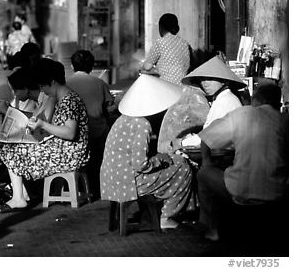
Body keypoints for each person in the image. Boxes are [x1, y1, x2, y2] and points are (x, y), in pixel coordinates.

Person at [195, 84, 288, 242]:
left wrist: (207, 162)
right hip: (278, 191)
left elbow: (206, 138)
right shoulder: (284, 120)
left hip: (241, 190)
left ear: (257, 99)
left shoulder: (241, 114)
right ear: (277, 102)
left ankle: (212, 229)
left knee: (204, 174)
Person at [100, 74, 193, 229]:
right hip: (129, 182)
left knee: (175, 163)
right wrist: (161, 159)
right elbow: (140, 164)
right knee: (183, 167)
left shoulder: (122, 119)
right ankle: (168, 216)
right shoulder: (142, 124)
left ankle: (168, 211)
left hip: (111, 178)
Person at [0, 58, 89, 212]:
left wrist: (43, 125)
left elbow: (70, 133)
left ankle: (19, 198)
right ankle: (21, 195)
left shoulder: (68, 100)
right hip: (65, 149)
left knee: (11, 151)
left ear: (52, 82)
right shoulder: (64, 98)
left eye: (42, 86)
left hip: (70, 154)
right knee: (11, 148)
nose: (42, 91)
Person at [66, 50, 116, 199]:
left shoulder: (66, 84)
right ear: (92, 66)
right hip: (97, 133)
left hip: (74, 135)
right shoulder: (100, 83)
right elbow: (109, 108)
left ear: (72, 65)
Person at [180, 56, 245, 148]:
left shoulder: (225, 101)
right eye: (202, 79)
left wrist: (184, 143)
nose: (205, 83)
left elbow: (209, 136)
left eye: (209, 79)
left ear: (222, 81)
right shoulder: (222, 98)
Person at [142, 13, 191, 84]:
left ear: (161, 28)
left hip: (165, 85)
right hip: (182, 85)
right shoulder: (185, 44)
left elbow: (147, 67)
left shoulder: (160, 43)